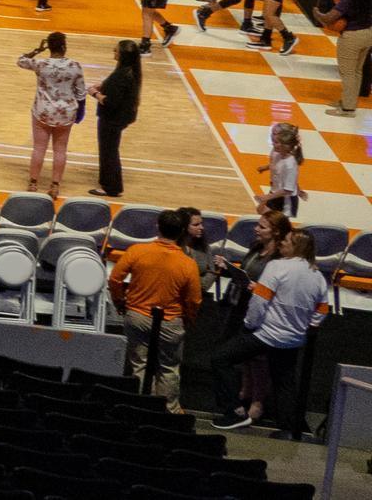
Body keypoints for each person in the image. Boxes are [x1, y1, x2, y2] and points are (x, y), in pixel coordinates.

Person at [210, 231, 325, 432]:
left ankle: (235, 411)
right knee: (284, 382)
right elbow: (322, 309)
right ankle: (288, 429)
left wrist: (249, 324)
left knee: (220, 359)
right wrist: (304, 327)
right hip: (293, 339)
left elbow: (260, 301)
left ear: (297, 247)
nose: (281, 242)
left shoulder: (277, 266)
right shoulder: (317, 276)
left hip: (267, 335)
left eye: (287, 240)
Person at [109, 207, 201, 404]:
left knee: (138, 365)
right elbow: (194, 299)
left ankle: (140, 405)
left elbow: (115, 279)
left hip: (137, 316)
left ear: (158, 227)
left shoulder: (137, 251)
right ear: (182, 231)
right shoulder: (188, 263)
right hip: (170, 322)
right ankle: (166, 411)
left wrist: (120, 302)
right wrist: (188, 319)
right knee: (168, 368)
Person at [18, 32, 87, 197]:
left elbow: (20, 60)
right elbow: (81, 93)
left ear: (49, 47)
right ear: (64, 46)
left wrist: (37, 50)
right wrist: (80, 112)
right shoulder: (75, 66)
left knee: (39, 148)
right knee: (60, 150)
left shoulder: (41, 64)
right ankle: (55, 186)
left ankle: (33, 183)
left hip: (43, 111)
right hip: (65, 114)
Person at [90, 39, 144, 197]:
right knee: (110, 150)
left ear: (122, 56)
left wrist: (94, 93)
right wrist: (104, 85)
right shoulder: (130, 71)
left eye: (116, 51)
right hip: (120, 117)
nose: (114, 52)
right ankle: (112, 184)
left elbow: (110, 101)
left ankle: (111, 187)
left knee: (108, 151)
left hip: (112, 118)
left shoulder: (122, 75)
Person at [319, 0, 372, 118]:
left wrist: (317, 13)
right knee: (357, 71)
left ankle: (348, 109)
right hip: (368, 33)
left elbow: (328, 18)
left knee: (347, 72)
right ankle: (349, 102)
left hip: (352, 36)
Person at [257, 123, 301, 217]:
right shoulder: (278, 154)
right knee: (264, 215)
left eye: (276, 139)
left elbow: (288, 189)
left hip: (285, 199)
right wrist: (265, 167)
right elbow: (276, 166)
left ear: (285, 145)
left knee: (276, 223)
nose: (272, 140)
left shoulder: (290, 164)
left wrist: (266, 197)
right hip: (275, 192)